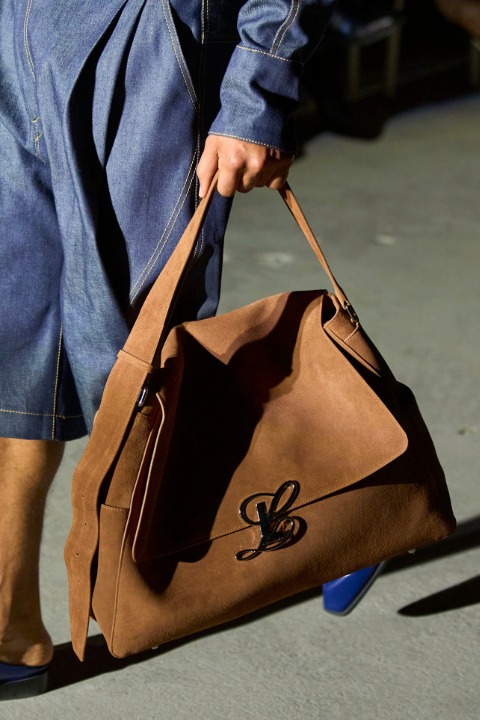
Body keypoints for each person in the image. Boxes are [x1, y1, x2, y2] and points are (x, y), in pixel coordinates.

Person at [0, 0, 380, 699]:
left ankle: (340, 502)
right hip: (14, 34)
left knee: (140, 364)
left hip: (145, 34)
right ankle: (8, 625)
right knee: (13, 359)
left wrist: (258, 87)